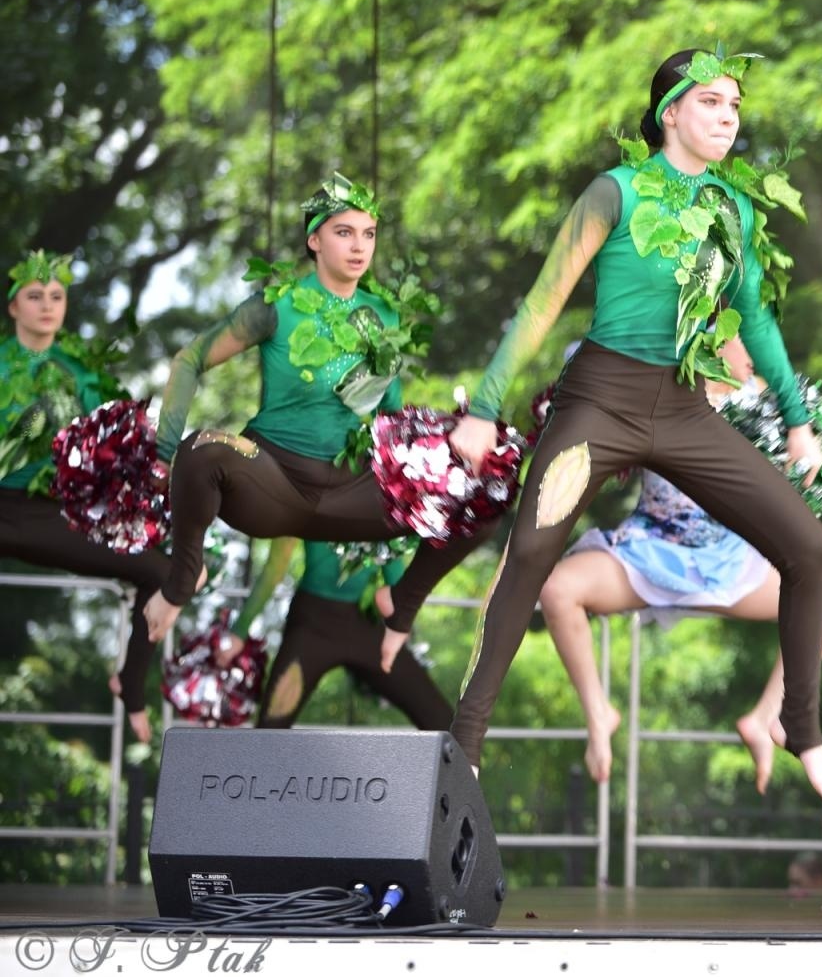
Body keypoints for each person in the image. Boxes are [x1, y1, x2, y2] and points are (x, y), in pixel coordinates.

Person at [441, 49, 822, 808]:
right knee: (529, 554)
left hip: (686, 410)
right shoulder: (615, 192)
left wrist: (798, 421)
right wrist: (487, 409)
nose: (728, 117)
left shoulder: (735, 207)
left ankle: (803, 731)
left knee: (811, 548)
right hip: (600, 403)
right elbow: (541, 303)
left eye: (735, 106)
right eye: (712, 103)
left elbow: (753, 317)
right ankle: (465, 746)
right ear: (671, 113)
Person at [143, 174, 494, 651]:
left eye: (368, 234)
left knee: (486, 483)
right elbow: (189, 360)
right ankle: (183, 577)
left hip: (352, 493)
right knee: (201, 450)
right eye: (343, 232)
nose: (359, 246)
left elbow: (392, 415)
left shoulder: (385, 316)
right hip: (273, 482)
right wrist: (164, 455)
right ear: (314, 239)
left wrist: (451, 436)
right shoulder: (276, 306)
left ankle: (403, 602)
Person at [540, 338, 822, 787]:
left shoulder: (764, 400)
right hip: (651, 552)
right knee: (557, 590)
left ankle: (768, 718)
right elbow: (580, 354)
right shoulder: (662, 382)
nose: (755, 355)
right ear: (712, 335)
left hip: (731, 565)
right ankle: (599, 714)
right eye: (745, 337)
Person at [0, 250, 191, 742]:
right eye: (34, 296)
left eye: (57, 296)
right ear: (13, 307)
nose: (47, 305)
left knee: (165, 572)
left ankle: (130, 682)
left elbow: (121, 450)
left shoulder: (82, 374)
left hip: (51, 515)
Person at [227, 537, 451, 729]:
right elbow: (274, 570)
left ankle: (464, 775)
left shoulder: (382, 500)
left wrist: (401, 625)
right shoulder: (306, 491)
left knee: (442, 721)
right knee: (270, 728)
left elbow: (397, 579)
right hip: (311, 624)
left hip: (360, 623)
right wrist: (239, 631)